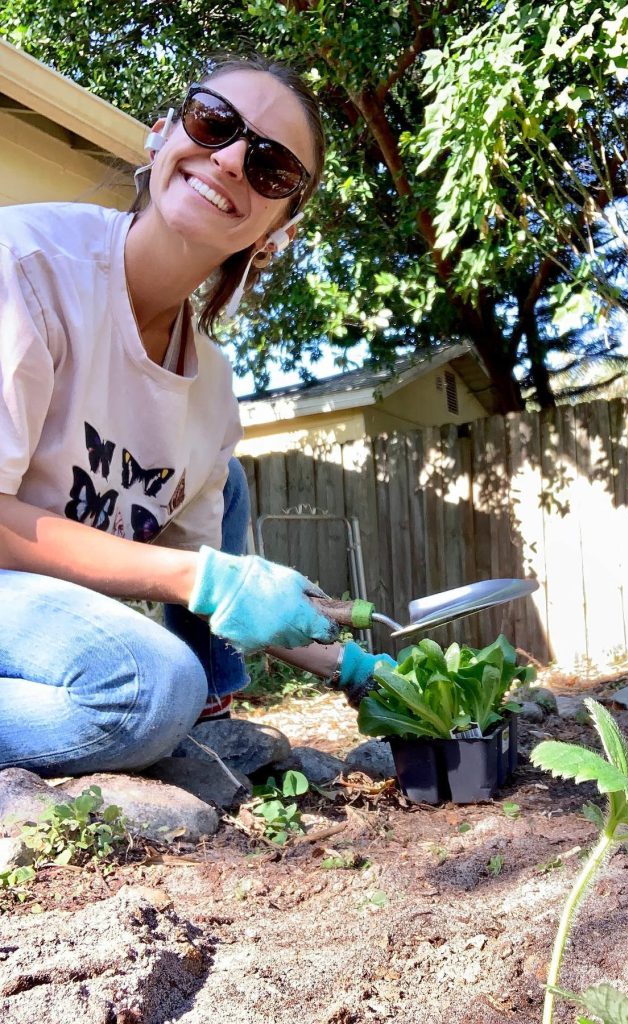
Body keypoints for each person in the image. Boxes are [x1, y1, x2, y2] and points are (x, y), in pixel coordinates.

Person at [0, 54, 393, 778]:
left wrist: (357, 669)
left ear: (278, 229)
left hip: (33, 608)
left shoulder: (210, 385)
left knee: (221, 483)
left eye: (272, 168)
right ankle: (177, 709)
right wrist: (208, 580)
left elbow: (219, 580)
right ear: (161, 135)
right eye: (215, 122)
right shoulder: (23, 267)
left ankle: (208, 710)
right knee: (148, 688)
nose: (234, 158)